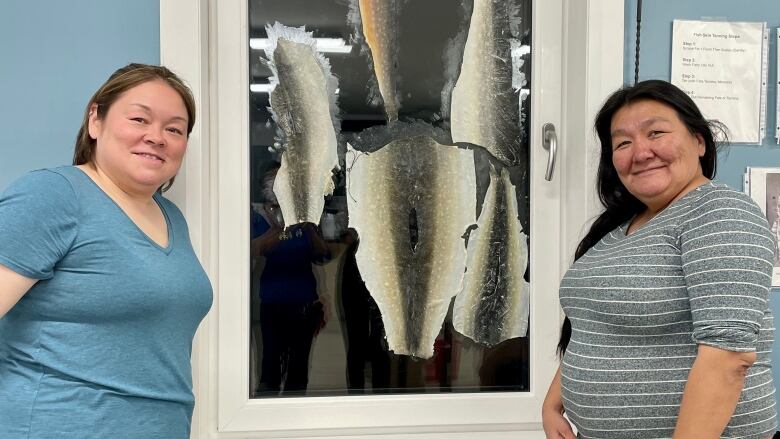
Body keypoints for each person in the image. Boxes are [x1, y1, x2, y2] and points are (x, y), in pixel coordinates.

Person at [542, 80, 777, 439]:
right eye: (623, 142)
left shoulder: (718, 212)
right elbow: (594, 326)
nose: (640, 152)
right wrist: (553, 402)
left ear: (699, 141)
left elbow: (729, 357)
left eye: (656, 133)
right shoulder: (620, 228)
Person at [0, 64, 213, 438]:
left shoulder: (171, 216)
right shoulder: (53, 195)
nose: (157, 137)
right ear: (95, 120)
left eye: (174, 129)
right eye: (139, 119)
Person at [251, 165, 330, 396]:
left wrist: (310, 228)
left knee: (298, 372)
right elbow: (253, 250)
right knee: (270, 369)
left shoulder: (307, 216)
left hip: (305, 304)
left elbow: (323, 257)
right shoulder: (261, 217)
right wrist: (280, 226)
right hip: (272, 303)